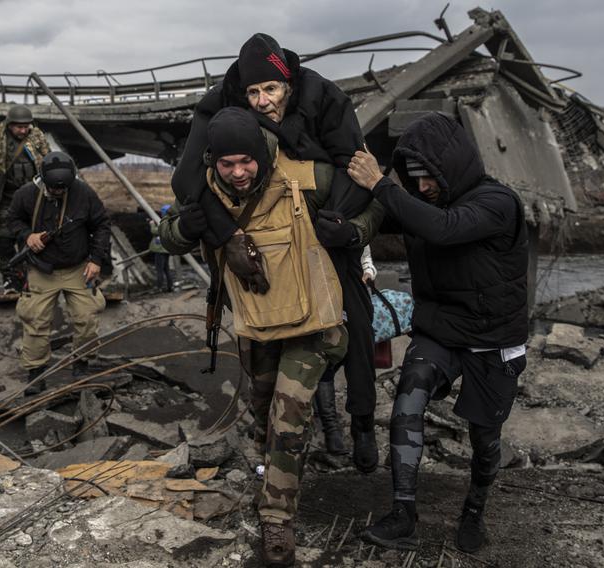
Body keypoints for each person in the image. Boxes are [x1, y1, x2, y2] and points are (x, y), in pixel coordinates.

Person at [161, 107, 380, 567]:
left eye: (246, 161)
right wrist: (184, 228)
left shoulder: (308, 177)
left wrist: (352, 232)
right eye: (227, 164)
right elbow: (168, 235)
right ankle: (270, 471)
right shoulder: (204, 191)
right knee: (262, 411)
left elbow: (371, 203)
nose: (238, 173)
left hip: (316, 325)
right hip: (257, 326)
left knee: (289, 412)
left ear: (260, 153)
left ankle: (277, 520)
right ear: (213, 162)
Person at [171, 32, 380, 473]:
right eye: (253, 92)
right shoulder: (220, 107)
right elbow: (189, 183)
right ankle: (267, 436)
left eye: (271, 89)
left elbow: (356, 169)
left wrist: (338, 225)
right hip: (258, 228)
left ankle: (362, 423)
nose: (263, 102)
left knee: (356, 323)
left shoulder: (324, 98)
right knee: (265, 338)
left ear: (289, 84)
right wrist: (229, 234)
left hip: (317, 216)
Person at [347, 112, 529, 553]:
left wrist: (382, 184)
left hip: (494, 337)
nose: (423, 186)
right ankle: (403, 513)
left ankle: (474, 511)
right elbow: (374, 215)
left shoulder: (497, 202)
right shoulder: (414, 199)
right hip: (441, 330)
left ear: (453, 165)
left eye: (429, 176)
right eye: (414, 178)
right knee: (407, 403)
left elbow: (445, 229)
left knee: (485, 440)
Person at [9, 151, 111, 382]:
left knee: (87, 317)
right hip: (41, 269)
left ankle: (81, 365)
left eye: (62, 189)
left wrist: (96, 260)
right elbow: (13, 219)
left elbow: (102, 224)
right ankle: (36, 372)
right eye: (53, 189)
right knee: (35, 320)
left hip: (78, 267)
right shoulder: (25, 194)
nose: (57, 192)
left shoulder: (83, 193)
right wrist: (27, 236)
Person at [0, 104, 51, 293]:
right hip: (6, 198)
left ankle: (31, 280)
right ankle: (11, 280)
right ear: (10, 125)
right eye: (19, 126)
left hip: (32, 197)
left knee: (31, 238)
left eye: (26, 126)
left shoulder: (36, 136)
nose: (23, 130)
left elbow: (49, 159)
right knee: (4, 239)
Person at [314, 244, 377, 455]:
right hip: (319, 291)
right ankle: (331, 428)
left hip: (353, 293)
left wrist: (368, 271)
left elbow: (366, 257)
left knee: (359, 357)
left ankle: (363, 427)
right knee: (325, 362)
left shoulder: (355, 225)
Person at [149, 204, 174, 292]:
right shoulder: (172, 221)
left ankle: (159, 287)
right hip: (166, 250)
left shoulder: (165, 222)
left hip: (160, 250)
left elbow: (155, 231)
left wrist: (152, 224)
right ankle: (169, 287)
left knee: (159, 269)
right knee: (166, 269)